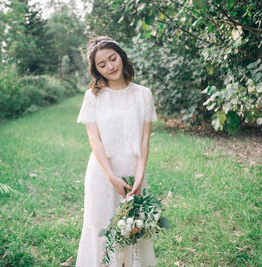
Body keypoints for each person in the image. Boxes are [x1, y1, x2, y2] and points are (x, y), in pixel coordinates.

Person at [75, 36, 158, 267]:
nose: (111, 67)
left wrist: (140, 176)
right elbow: (94, 139)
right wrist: (111, 177)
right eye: (102, 64)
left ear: (121, 56)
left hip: (133, 173)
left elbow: (144, 140)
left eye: (113, 59)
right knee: (101, 228)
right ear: (96, 70)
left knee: (133, 230)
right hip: (103, 173)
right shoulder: (93, 97)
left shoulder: (143, 94)